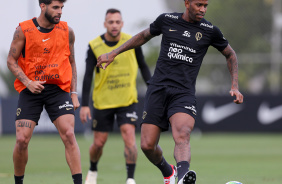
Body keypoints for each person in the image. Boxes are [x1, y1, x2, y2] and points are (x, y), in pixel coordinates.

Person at [96, 1, 244, 184]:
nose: (203, 9)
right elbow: (143, 36)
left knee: (182, 133)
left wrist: (235, 86)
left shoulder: (210, 30)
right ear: (187, 3)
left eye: (206, 5)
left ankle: (182, 177)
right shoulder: (167, 20)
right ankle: (169, 172)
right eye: (199, 4)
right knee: (147, 145)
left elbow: (230, 54)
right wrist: (113, 53)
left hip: (183, 93)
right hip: (158, 89)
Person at [7, 0, 82, 184]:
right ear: (42, 6)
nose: (60, 12)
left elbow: (72, 62)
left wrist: (74, 93)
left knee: (69, 134)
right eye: (56, 8)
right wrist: (27, 82)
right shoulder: (23, 30)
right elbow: (10, 60)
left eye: (62, 8)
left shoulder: (67, 31)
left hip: (58, 90)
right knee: (22, 140)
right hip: (30, 89)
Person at [80, 8, 151, 184]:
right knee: (98, 143)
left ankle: (130, 179)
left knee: (129, 137)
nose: (114, 25)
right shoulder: (94, 45)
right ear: (105, 24)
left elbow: (143, 66)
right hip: (103, 102)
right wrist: (84, 104)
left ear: (122, 24)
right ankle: (93, 170)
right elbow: (88, 75)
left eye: (117, 22)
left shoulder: (132, 42)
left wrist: (152, 88)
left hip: (127, 100)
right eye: (110, 22)